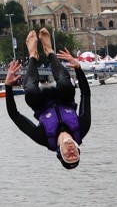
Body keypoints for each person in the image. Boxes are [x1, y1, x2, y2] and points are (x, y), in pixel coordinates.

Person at [5, 28, 91, 169]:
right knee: (65, 84)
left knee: (31, 92)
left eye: (68, 156)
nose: (71, 152)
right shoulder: (82, 128)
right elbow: (86, 95)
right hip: (65, 99)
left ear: (59, 153)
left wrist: (8, 86)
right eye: (75, 155)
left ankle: (33, 55)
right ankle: (49, 51)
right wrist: (78, 68)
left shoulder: (43, 137)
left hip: (42, 103)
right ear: (77, 149)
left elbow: (15, 115)